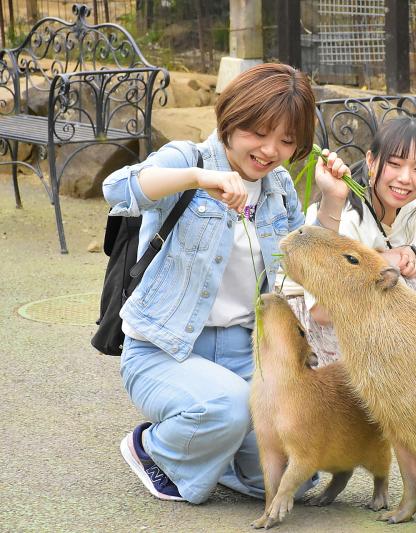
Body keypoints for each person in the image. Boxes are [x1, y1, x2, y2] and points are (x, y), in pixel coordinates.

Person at [102, 63, 350, 504]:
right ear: (233, 118)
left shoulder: (277, 188)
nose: (270, 150)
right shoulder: (189, 158)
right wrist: (198, 179)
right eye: (258, 132)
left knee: (289, 473)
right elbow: (118, 188)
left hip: (243, 348)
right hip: (166, 348)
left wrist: (332, 199)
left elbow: (307, 268)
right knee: (228, 406)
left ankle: (219, 458)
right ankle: (151, 449)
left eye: (287, 141)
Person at [278, 116, 416, 518]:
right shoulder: (345, 215)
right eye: (396, 164)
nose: (406, 179)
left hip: (367, 313)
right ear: (371, 161)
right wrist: (384, 262)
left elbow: (407, 254)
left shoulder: (408, 208)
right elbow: (321, 309)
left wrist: (408, 256)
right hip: (320, 320)